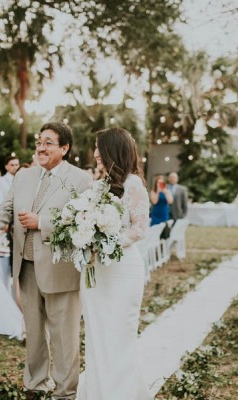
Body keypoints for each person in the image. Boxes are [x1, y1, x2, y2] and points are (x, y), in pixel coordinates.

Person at [0, 122, 92, 399]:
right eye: (39, 142)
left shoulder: (81, 179)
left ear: (64, 148)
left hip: (61, 268)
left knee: (64, 336)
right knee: (33, 331)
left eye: (48, 142)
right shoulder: (24, 176)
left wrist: (42, 222)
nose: (41, 148)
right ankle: (35, 385)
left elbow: (83, 223)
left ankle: (66, 392)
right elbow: (5, 208)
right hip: (26, 265)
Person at [79, 127, 153, 399]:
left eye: (99, 147)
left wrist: (108, 244)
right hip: (98, 271)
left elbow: (140, 229)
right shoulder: (99, 185)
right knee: (97, 333)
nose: (95, 153)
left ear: (114, 150)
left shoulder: (133, 184)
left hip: (122, 271)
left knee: (119, 334)